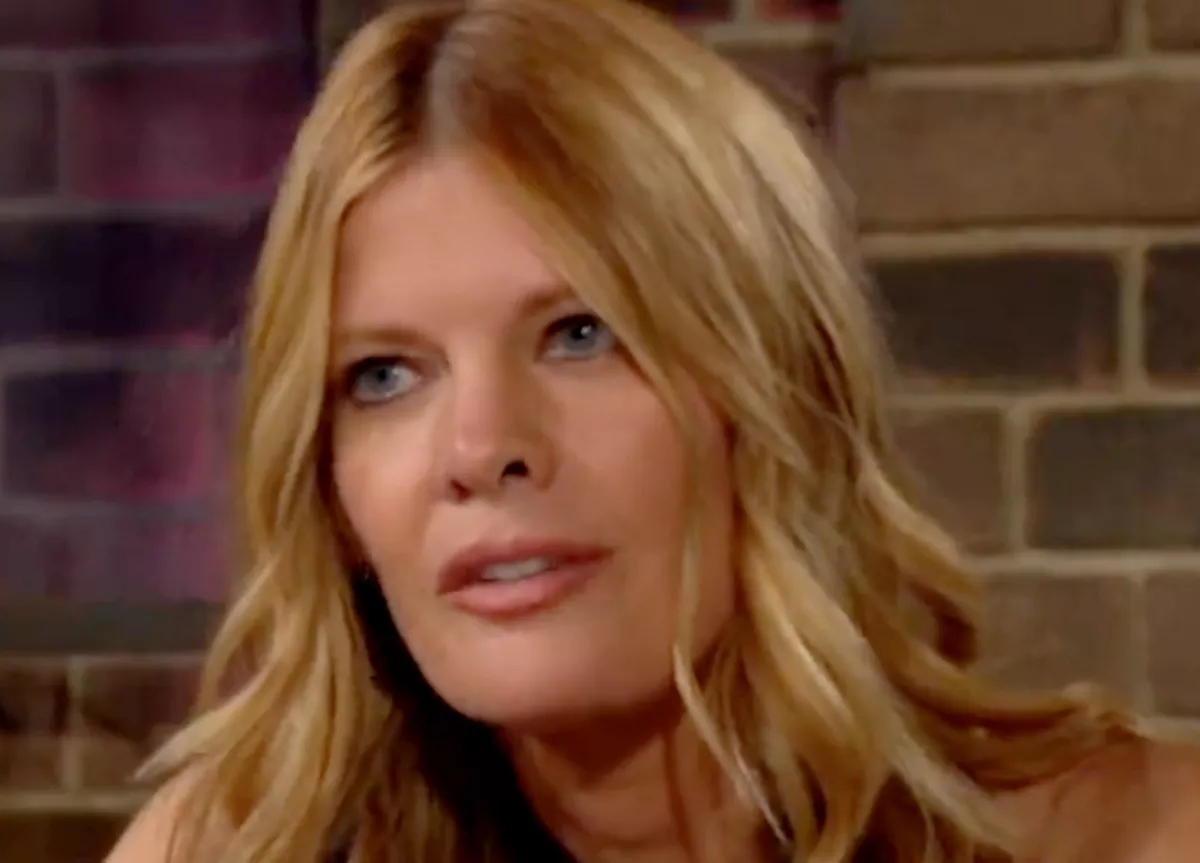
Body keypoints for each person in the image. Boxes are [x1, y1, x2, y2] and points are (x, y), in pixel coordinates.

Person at [105, 0, 1200, 861]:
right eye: (384, 375)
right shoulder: (231, 847)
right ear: (333, 495)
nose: (479, 448)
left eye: (580, 334)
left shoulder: (1137, 835)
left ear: (766, 391)